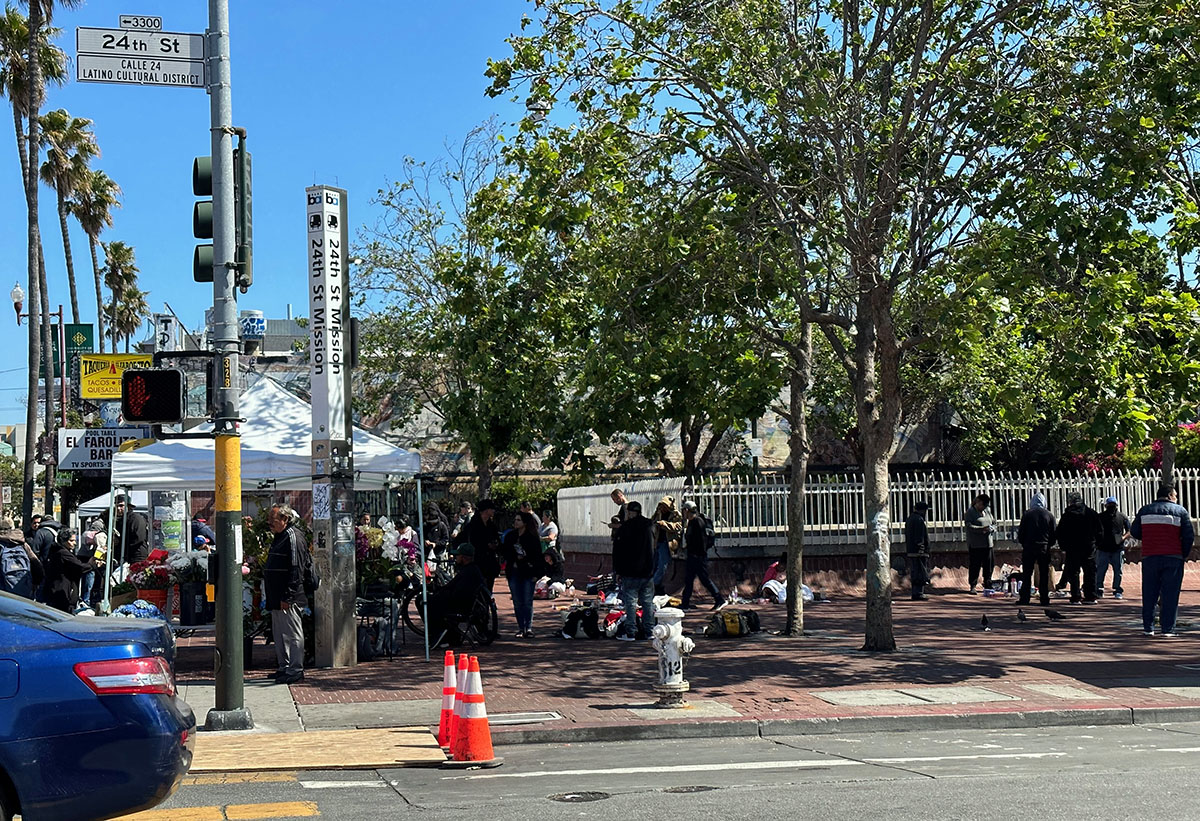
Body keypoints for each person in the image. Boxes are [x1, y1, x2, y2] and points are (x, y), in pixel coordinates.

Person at [1131, 484, 1194, 637]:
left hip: (1150, 556)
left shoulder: (1144, 510)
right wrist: (1183, 554)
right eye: (1176, 495)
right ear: (1170, 495)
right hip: (1173, 557)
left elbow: (1135, 532)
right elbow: (1188, 536)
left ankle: (1148, 628)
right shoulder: (1181, 511)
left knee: (1149, 593)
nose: (1177, 498)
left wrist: (1149, 537)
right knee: (1170, 594)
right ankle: (1167, 629)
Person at [264, 503, 311, 684]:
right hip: (276, 595)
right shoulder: (280, 536)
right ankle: (284, 667)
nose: (270, 523)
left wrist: (288, 596)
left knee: (292, 633)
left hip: (288, 596)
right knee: (280, 633)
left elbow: (296, 569)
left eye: (273, 520)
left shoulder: (293, 537)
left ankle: (295, 669)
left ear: (285, 519)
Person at [426, 544, 487, 647]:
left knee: (428, 602)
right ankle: (448, 634)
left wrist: (440, 592)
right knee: (434, 599)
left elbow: (456, 591)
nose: (455, 558)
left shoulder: (467, 573)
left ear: (463, 557)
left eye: (457, 556)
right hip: (466, 604)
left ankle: (440, 634)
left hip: (460, 607)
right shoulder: (472, 569)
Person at [613, 500, 657, 641]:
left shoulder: (625, 527)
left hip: (630, 571)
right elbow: (653, 548)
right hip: (647, 571)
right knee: (647, 602)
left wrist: (618, 570)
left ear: (630, 512)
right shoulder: (649, 525)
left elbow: (618, 551)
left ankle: (630, 632)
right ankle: (649, 631)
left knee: (631, 602)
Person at [501, 511, 542, 638]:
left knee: (527, 600)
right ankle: (520, 627)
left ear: (524, 522)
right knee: (517, 601)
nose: (516, 522)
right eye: (515, 520)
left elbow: (537, 557)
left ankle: (528, 627)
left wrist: (536, 573)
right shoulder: (511, 536)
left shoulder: (532, 537)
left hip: (528, 573)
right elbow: (505, 552)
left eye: (518, 520)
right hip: (514, 572)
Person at [1056, 491, 1101, 603]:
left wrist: (1064, 546)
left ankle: (1075, 596)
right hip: (1089, 547)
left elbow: (1060, 532)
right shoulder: (1091, 513)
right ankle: (1091, 595)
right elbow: (1100, 531)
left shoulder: (1067, 515)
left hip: (1073, 548)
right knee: (1090, 571)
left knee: (1073, 572)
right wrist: (1097, 544)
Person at [679, 500, 724, 610]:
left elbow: (701, 542)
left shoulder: (697, 522)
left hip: (698, 557)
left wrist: (697, 555)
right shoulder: (692, 522)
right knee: (689, 580)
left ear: (687, 510)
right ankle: (685, 603)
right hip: (693, 555)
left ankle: (719, 599)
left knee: (704, 579)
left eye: (684, 511)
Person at [1017, 492, 1057, 606]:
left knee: (1027, 573)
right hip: (1044, 547)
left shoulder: (1027, 514)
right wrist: (1049, 544)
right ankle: (1044, 599)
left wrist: (1024, 543)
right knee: (1044, 574)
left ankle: (1024, 598)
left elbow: (1021, 532)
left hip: (1029, 547)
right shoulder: (1049, 515)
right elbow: (1053, 533)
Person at [43, 528, 96, 614]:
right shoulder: (63, 553)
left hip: (59, 590)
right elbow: (79, 567)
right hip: (63, 592)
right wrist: (91, 565)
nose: (74, 543)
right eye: (71, 541)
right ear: (64, 541)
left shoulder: (58, 551)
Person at [0, 516, 43, 600]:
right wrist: (35, 583)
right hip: (23, 592)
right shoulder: (22, 544)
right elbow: (37, 565)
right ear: (12, 527)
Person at [1097, 496, 1131, 599]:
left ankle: (1117, 589)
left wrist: (1123, 538)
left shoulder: (1122, 517)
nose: (1111, 507)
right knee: (1101, 570)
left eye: (1113, 505)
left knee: (1118, 570)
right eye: (1109, 505)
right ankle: (1099, 589)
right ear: (1105, 506)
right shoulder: (1100, 517)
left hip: (1118, 548)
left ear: (1116, 505)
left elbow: (1130, 530)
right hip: (1103, 548)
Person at [464, 499, 501, 590]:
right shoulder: (473, 524)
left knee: (488, 588)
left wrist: (495, 545)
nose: (493, 511)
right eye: (492, 509)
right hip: (477, 560)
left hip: (490, 562)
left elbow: (497, 539)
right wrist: (485, 545)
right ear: (486, 510)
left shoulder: (491, 525)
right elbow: (469, 540)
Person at [963, 494, 997, 593]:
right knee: (975, 565)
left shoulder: (987, 511)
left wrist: (992, 528)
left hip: (988, 543)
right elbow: (969, 526)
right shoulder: (970, 512)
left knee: (988, 565)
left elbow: (994, 522)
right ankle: (973, 585)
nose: (984, 507)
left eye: (986, 506)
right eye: (982, 505)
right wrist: (981, 529)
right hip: (976, 544)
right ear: (977, 502)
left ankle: (987, 583)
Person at [651, 496, 683, 596]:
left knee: (662, 566)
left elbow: (678, 526)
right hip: (657, 542)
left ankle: (653, 585)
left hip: (667, 543)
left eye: (664, 506)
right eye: (661, 506)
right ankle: (657, 587)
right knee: (654, 566)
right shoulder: (658, 513)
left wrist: (665, 524)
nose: (662, 508)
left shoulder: (675, 514)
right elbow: (652, 521)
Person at [107, 494, 150, 566]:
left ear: (128, 506)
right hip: (126, 557)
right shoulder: (120, 521)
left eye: (121, 506)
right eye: (116, 506)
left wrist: (121, 544)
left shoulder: (136, 518)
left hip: (137, 556)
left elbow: (139, 538)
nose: (118, 508)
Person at [905, 501, 932, 601]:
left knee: (915, 571)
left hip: (911, 549)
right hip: (918, 551)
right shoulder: (919, 520)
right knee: (920, 572)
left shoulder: (910, 519)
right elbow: (920, 536)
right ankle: (919, 592)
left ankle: (916, 592)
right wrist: (922, 549)